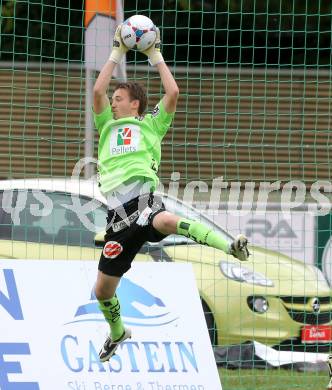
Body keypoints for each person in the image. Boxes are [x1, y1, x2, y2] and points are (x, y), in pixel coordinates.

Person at [93, 25, 250, 363]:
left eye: (119, 98)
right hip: (119, 216)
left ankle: (231, 246)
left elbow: (173, 92)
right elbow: (96, 91)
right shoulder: (107, 125)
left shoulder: (150, 124)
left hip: (144, 200)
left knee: (165, 219)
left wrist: (154, 55)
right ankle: (118, 331)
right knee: (102, 291)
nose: (113, 101)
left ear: (135, 105)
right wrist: (117, 51)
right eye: (114, 99)